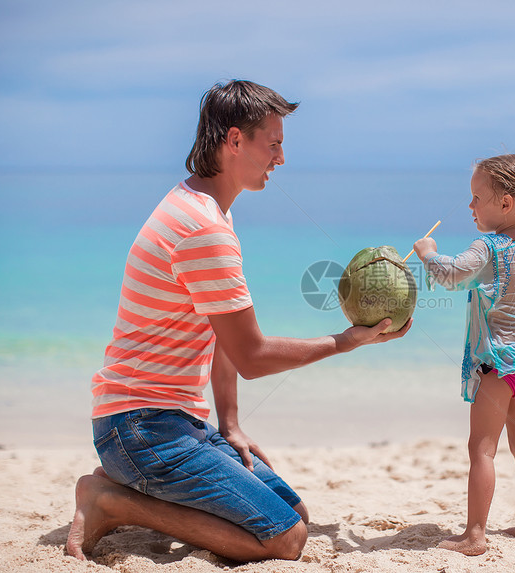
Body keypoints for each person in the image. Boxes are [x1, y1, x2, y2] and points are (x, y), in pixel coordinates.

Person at [66, 80, 411, 563]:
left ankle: (123, 483)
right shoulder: (204, 227)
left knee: (294, 512)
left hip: (171, 421)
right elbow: (251, 355)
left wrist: (228, 421)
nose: (281, 159)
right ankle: (113, 501)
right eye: (273, 144)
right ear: (233, 140)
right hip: (142, 425)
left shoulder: (205, 208)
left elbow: (220, 332)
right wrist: (345, 341)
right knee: (283, 539)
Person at [412, 153, 515, 556]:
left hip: (496, 365)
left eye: (477, 197)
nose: (470, 206)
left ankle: (475, 535)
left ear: (507, 204)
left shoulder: (489, 248)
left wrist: (428, 253)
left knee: (481, 448)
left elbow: (451, 275)